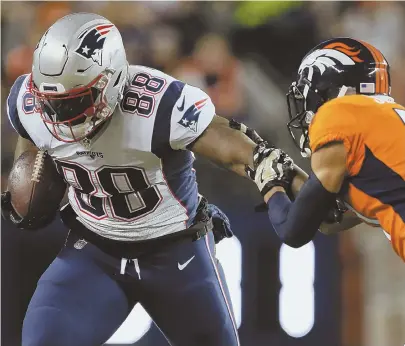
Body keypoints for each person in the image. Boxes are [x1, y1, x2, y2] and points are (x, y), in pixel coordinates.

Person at [0, 13, 326, 346]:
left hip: (176, 255)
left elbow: (226, 143)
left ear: (110, 81)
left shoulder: (156, 104)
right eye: (52, 105)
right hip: (94, 252)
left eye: (75, 102)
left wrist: (263, 162)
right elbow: (30, 137)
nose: (60, 120)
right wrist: (27, 176)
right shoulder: (29, 104)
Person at [260, 37, 405, 261]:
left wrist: (270, 185)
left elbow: (293, 231)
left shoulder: (339, 114)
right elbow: (331, 219)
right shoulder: (389, 121)